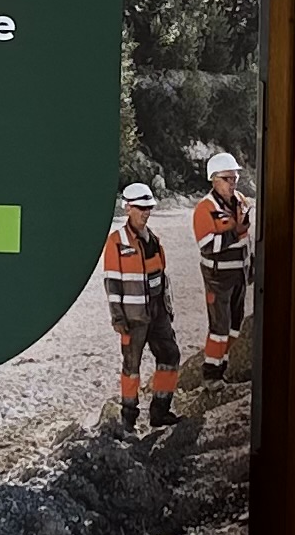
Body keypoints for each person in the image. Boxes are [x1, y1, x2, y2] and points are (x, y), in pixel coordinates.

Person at [100, 183, 179, 436]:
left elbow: (161, 276)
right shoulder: (117, 242)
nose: (147, 213)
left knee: (170, 356)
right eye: (142, 208)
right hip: (133, 318)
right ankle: (128, 418)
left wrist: (166, 309)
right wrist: (117, 317)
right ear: (128, 209)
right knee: (131, 367)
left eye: (149, 208)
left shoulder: (153, 239)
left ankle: (159, 411)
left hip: (157, 314)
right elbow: (112, 283)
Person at [189, 152, 253, 383]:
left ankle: (222, 366)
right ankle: (211, 375)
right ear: (214, 179)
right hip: (218, 277)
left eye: (235, 178)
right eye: (228, 178)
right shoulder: (204, 209)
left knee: (235, 326)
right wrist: (234, 232)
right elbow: (207, 245)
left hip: (240, 274)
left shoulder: (241, 201)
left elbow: (247, 240)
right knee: (219, 328)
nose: (233, 183)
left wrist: (250, 265)